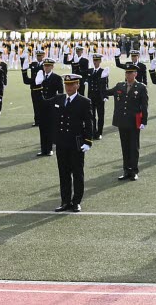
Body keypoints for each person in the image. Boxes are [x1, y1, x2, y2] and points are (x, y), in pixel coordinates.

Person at [50, 74, 94, 212]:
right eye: (66, 85)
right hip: (62, 142)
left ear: (77, 85)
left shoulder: (84, 101)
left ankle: (76, 201)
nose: (68, 87)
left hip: (76, 143)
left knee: (77, 173)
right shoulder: (59, 98)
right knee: (63, 173)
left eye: (71, 84)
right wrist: (38, 87)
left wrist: (88, 141)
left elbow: (89, 123)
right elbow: (43, 105)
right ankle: (65, 201)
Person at [103, 64, 149, 181]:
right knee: (125, 147)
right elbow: (105, 92)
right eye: (126, 73)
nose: (128, 75)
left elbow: (144, 106)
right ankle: (126, 170)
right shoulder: (120, 85)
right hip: (122, 121)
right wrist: (103, 79)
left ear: (135, 74)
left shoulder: (141, 87)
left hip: (134, 122)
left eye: (130, 72)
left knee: (133, 147)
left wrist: (144, 121)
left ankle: (134, 171)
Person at [26, 58, 63, 157]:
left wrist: (57, 105)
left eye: (48, 66)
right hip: (41, 105)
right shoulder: (39, 76)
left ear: (52, 66)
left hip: (52, 106)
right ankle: (43, 149)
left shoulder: (57, 78)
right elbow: (34, 90)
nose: (46, 67)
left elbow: (60, 93)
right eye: (45, 66)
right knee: (42, 128)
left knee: (50, 127)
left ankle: (49, 148)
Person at [85, 54, 109, 140]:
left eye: (97, 61)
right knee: (92, 116)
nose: (95, 62)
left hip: (99, 97)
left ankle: (99, 132)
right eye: (94, 60)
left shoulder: (103, 71)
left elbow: (105, 84)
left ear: (100, 61)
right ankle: (93, 131)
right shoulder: (90, 70)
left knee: (100, 115)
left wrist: (105, 95)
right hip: (91, 97)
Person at [22, 49, 46, 126]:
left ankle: (44, 120)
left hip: (42, 88)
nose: (39, 57)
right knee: (35, 106)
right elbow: (27, 77)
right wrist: (24, 69)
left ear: (43, 55)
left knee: (43, 106)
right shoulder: (33, 64)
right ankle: (37, 121)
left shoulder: (45, 64)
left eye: (40, 56)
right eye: (37, 56)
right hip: (33, 88)